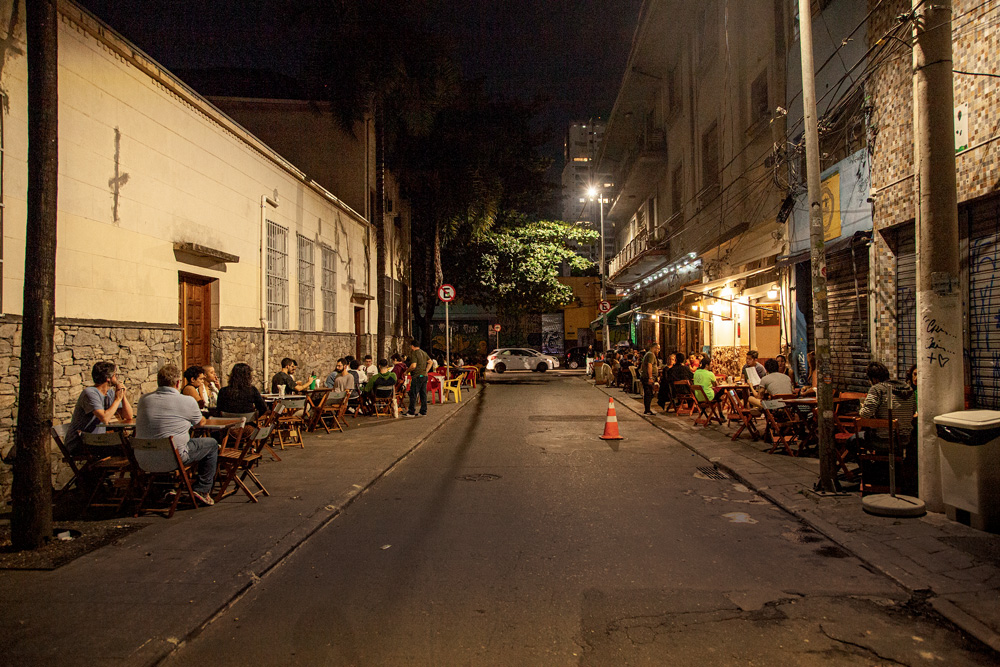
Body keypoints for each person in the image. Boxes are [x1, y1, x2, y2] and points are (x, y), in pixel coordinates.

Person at [135, 364, 218, 506]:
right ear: (178, 383)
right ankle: (202, 489)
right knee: (211, 444)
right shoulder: (186, 401)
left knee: (162, 438)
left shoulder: (144, 400)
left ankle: (165, 488)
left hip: (143, 458)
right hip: (174, 457)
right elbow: (200, 423)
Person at [65, 361, 134, 453]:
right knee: (128, 449)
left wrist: (122, 395)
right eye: (115, 375)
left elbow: (128, 416)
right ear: (108, 378)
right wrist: (117, 400)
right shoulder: (90, 393)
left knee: (130, 446)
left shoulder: (109, 393)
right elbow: (104, 418)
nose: (117, 377)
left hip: (97, 440)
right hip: (81, 444)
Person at [851, 361, 917, 452]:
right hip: (905, 439)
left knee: (851, 441)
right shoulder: (908, 388)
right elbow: (913, 410)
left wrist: (862, 407)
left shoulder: (877, 389)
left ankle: (866, 466)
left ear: (873, 379)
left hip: (883, 439)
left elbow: (865, 414)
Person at [405, 338, 432, 417]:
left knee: (413, 393)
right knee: (423, 394)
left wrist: (407, 371)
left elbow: (413, 366)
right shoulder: (424, 353)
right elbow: (430, 362)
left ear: (412, 346)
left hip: (417, 376)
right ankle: (423, 411)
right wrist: (426, 370)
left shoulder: (414, 353)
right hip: (424, 375)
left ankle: (411, 411)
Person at [640, 342, 660, 415]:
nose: (658, 351)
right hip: (647, 377)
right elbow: (649, 366)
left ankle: (647, 409)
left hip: (646, 376)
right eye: (658, 349)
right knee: (649, 393)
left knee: (649, 393)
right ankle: (647, 409)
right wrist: (650, 377)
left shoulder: (648, 354)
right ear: (654, 348)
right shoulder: (651, 355)